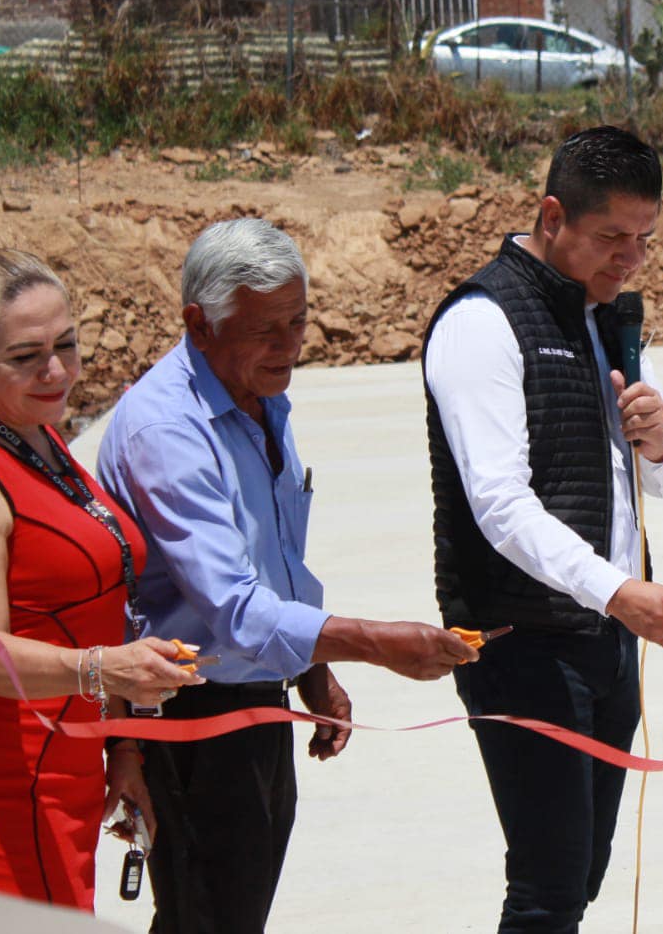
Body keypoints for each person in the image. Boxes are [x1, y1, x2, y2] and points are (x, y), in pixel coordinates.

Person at [96, 218, 475, 934]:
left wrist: (310, 668)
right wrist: (373, 642)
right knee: (207, 915)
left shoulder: (259, 395)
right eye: (263, 328)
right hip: (190, 718)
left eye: (297, 320)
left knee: (228, 914)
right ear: (198, 325)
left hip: (255, 700)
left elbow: (270, 560)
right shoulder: (167, 432)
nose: (289, 344)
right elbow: (234, 608)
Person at [422, 125, 663, 934]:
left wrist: (658, 438)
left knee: (580, 876)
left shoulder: (605, 317)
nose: (631, 259)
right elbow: (500, 505)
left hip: (605, 645)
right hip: (523, 646)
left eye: (644, 239)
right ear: (552, 215)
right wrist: (619, 591)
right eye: (612, 237)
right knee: (546, 888)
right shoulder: (481, 322)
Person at [0, 250, 199, 911]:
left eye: (67, 345)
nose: (57, 371)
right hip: (8, 787)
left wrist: (120, 744)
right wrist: (101, 670)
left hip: (69, 765)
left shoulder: (37, 435)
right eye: (26, 356)